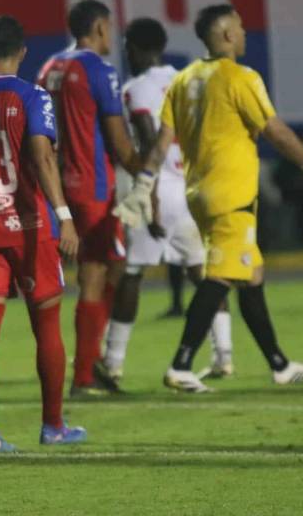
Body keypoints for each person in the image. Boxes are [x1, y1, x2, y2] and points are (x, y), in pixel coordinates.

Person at [115, 4, 303, 392]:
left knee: (251, 276)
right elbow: (275, 131)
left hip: (198, 192)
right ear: (228, 35)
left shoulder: (184, 81)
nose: (246, 32)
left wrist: (142, 185)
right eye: (240, 26)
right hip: (231, 192)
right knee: (220, 277)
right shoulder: (240, 77)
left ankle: (280, 364)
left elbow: (160, 143)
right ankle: (181, 364)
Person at [0, 15, 87, 453]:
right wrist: (64, 215)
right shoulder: (33, 97)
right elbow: (43, 158)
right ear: (23, 51)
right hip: (29, 227)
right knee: (46, 323)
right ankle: (53, 425)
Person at [103, 19, 233, 383]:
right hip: (195, 187)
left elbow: (148, 140)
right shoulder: (189, 79)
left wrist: (152, 198)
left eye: (128, 46)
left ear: (142, 49)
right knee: (201, 272)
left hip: (162, 187)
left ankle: (112, 362)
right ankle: (224, 354)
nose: (125, 53)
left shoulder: (137, 88)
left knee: (131, 273)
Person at [37, 0, 143, 396]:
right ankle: (84, 374)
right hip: (94, 186)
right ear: (99, 27)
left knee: (108, 267)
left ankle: (89, 361)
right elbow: (118, 138)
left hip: (60, 184)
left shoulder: (49, 68)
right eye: (109, 28)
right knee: (99, 272)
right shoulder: (99, 69)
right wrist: (146, 173)